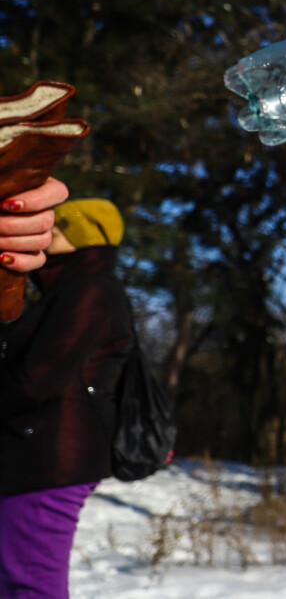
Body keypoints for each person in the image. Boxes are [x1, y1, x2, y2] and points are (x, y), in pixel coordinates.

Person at [0, 197, 133, 599]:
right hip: (37, 454)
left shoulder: (89, 293)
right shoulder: (71, 291)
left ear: (82, 240)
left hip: (49, 458)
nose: (44, 237)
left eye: (55, 231)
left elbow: (37, 379)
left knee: (28, 584)